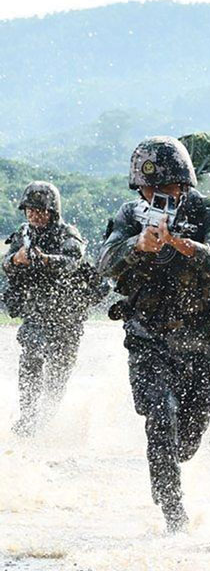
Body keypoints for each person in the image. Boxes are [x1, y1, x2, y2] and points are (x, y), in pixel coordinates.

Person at [97, 136, 210, 532]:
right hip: (148, 336)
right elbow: (105, 263)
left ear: (184, 185)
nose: (157, 197)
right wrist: (137, 244)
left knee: (188, 437)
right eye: (148, 190)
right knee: (161, 416)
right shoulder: (130, 214)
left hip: (200, 341)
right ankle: (173, 512)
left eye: (166, 189)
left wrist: (179, 242)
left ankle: (168, 470)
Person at [2, 182, 90, 435]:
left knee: (58, 374)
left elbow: (74, 260)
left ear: (52, 211)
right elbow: (6, 263)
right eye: (29, 210)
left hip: (67, 315)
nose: (34, 215)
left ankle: (47, 419)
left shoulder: (67, 233)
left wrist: (46, 260)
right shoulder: (23, 234)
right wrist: (16, 260)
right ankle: (27, 416)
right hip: (36, 313)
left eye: (39, 210)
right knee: (31, 357)